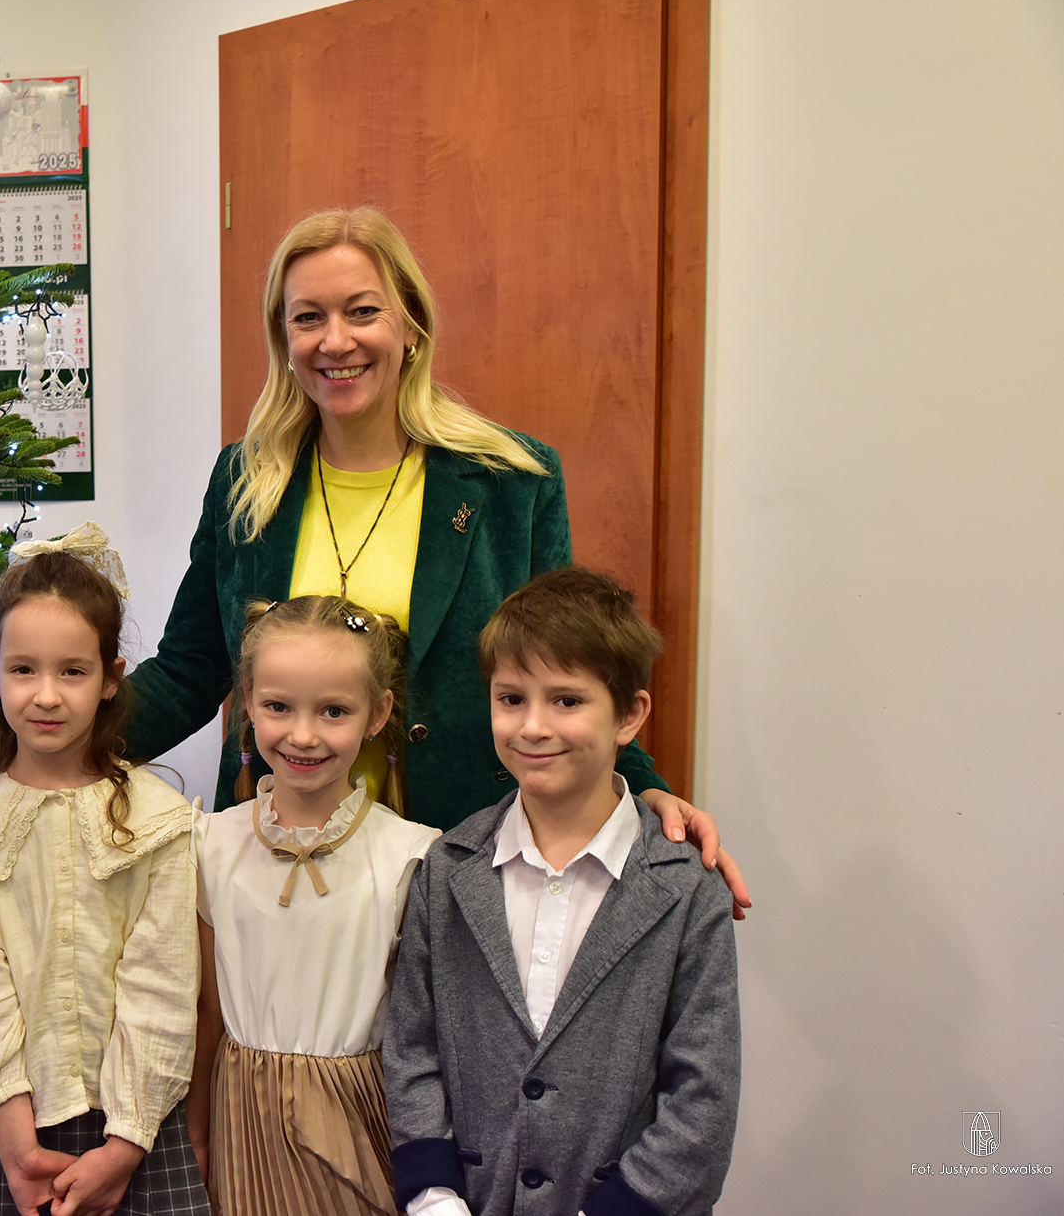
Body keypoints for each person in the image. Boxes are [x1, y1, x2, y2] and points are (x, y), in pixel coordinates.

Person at [120, 208, 748, 915]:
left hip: (461, 859)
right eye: (308, 318)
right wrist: (56, 742)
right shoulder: (246, 480)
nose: (335, 340)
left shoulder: (512, 479)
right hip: (284, 867)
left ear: (411, 325)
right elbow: (190, 668)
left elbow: (563, 664)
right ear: (284, 339)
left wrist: (644, 784)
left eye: (363, 311)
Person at [384, 568, 740, 1216]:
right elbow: (413, 1047)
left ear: (629, 715)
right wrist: (436, 1199)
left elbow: (703, 1097)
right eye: (511, 698)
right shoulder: (448, 866)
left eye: (567, 700)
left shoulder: (687, 886)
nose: (533, 726)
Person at [0, 526, 210, 1216]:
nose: (46, 695)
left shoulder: (160, 822)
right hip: (3, 1126)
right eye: (24, 669)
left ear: (112, 677)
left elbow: (163, 986)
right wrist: (16, 1137)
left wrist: (126, 1142)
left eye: (73, 671)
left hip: (135, 1128)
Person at [187, 596, 440, 1216]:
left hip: (361, 1118)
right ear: (247, 704)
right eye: (278, 707)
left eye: (333, 711)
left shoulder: (411, 856)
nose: (303, 736)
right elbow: (208, 1014)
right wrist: (196, 1135)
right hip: (241, 1122)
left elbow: (424, 1038)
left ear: (378, 713)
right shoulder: (210, 845)